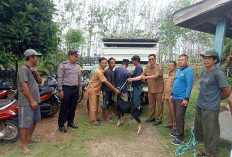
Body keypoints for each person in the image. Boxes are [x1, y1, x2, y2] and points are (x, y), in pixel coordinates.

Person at [193, 50, 230, 157]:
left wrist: (216, 99)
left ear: (215, 60)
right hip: (200, 104)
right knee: (203, 129)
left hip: (210, 107)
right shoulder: (204, 72)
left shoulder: (218, 74)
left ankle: (214, 154)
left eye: (209, 58)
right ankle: (206, 150)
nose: (206, 60)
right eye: (204, 58)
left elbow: (227, 92)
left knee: (212, 131)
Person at [17, 49, 42, 155]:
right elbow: (24, 86)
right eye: (36, 56)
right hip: (26, 102)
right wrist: (31, 101)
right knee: (25, 124)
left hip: (35, 100)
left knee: (34, 121)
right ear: (30, 57)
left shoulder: (31, 69)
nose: (37, 58)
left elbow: (40, 82)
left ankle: (29, 138)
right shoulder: (23, 69)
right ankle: (23, 146)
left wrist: (36, 73)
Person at [128, 54, 164, 126]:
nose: (151, 60)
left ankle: (159, 119)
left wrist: (146, 77)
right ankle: (151, 117)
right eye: (149, 59)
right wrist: (132, 79)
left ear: (155, 59)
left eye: (152, 59)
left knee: (159, 105)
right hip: (151, 89)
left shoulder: (159, 67)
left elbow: (156, 76)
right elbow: (141, 76)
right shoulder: (147, 68)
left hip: (159, 90)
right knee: (151, 105)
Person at [169, 54, 194, 145]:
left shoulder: (189, 72)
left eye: (182, 60)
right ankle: (177, 131)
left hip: (182, 98)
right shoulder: (179, 70)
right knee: (176, 116)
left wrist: (186, 98)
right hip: (175, 97)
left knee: (180, 117)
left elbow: (189, 86)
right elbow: (176, 83)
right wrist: (172, 94)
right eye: (179, 60)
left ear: (186, 61)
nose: (180, 61)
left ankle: (180, 138)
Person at [86, 57, 120, 126]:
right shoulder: (99, 71)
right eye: (103, 63)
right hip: (93, 89)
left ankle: (95, 118)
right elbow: (106, 82)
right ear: (99, 63)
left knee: (96, 105)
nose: (104, 64)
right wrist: (115, 90)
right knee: (93, 106)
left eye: (105, 63)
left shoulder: (102, 70)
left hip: (97, 90)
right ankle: (93, 121)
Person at [57, 49, 83, 133]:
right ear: (70, 56)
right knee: (64, 107)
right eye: (75, 57)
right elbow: (60, 78)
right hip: (66, 88)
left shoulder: (78, 66)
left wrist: (80, 87)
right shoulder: (63, 65)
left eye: (77, 56)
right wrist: (60, 89)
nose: (77, 58)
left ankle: (70, 122)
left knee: (73, 107)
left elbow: (79, 77)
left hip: (75, 89)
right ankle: (61, 125)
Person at [161, 61, 177, 131]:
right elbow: (165, 86)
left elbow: (176, 87)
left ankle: (175, 125)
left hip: (172, 96)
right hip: (166, 96)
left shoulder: (176, 75)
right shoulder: (167, 75)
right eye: (169, 65)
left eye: (171, 65)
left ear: (175, 67)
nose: (170, 67)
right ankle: (170, 123)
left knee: (173, 111)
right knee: (168, 111)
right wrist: (163, 95)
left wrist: (173, 95)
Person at [101, 58, 116, 123]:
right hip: (106, 90)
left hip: (110, 90)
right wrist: (115, 89)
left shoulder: (112, 71)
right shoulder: (107, 72)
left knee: (107, 103)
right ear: (109, 64)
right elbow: (108, 83)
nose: (113, 64)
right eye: (112, 63)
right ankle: (107, 118)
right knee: (106, 103)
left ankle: (104, 116)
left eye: (114, 63)